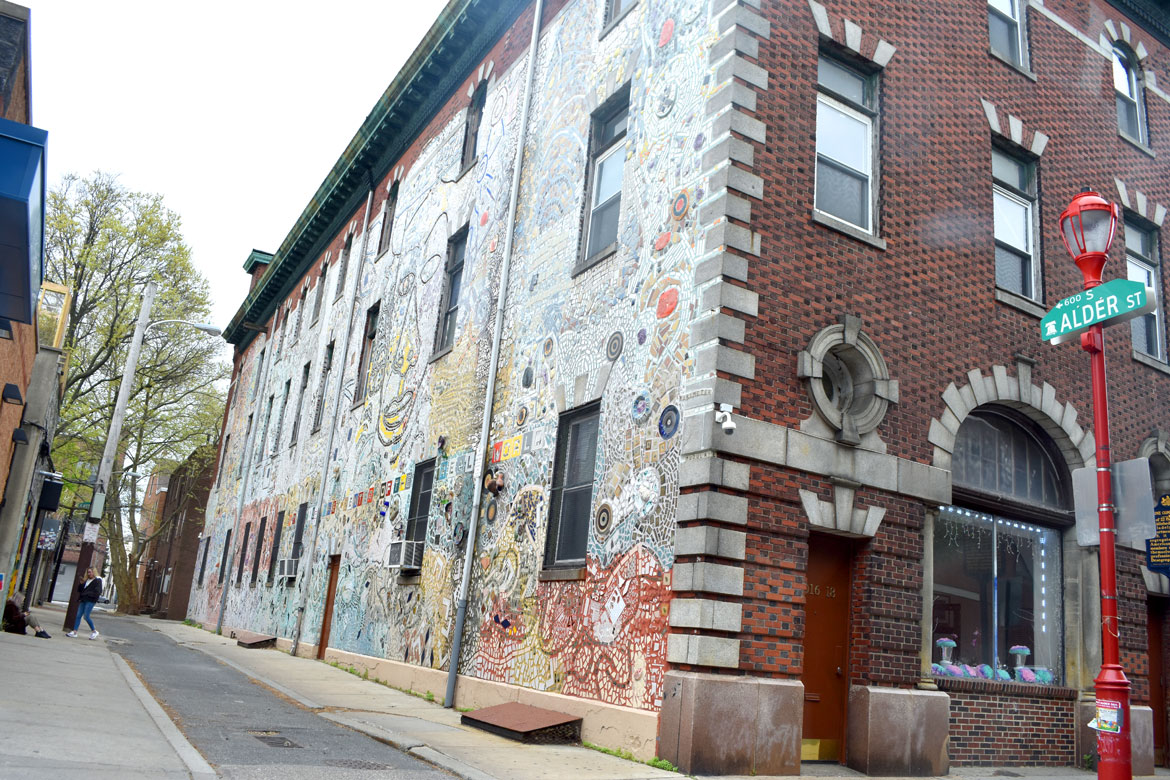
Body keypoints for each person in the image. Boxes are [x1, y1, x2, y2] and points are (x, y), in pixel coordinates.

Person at [66, 567, 101, 639]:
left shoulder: (97, 581)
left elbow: (98, 591)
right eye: (88, 572)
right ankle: (74, 632)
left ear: (94, 572)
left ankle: (94, 631)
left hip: (90, 600)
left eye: (90, 572)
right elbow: (80, 590)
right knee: (78, 615)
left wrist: (89, 594)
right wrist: (81, 584)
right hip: (83, 599)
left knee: (86, 616)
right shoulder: (86, 580)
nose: (89, 574)